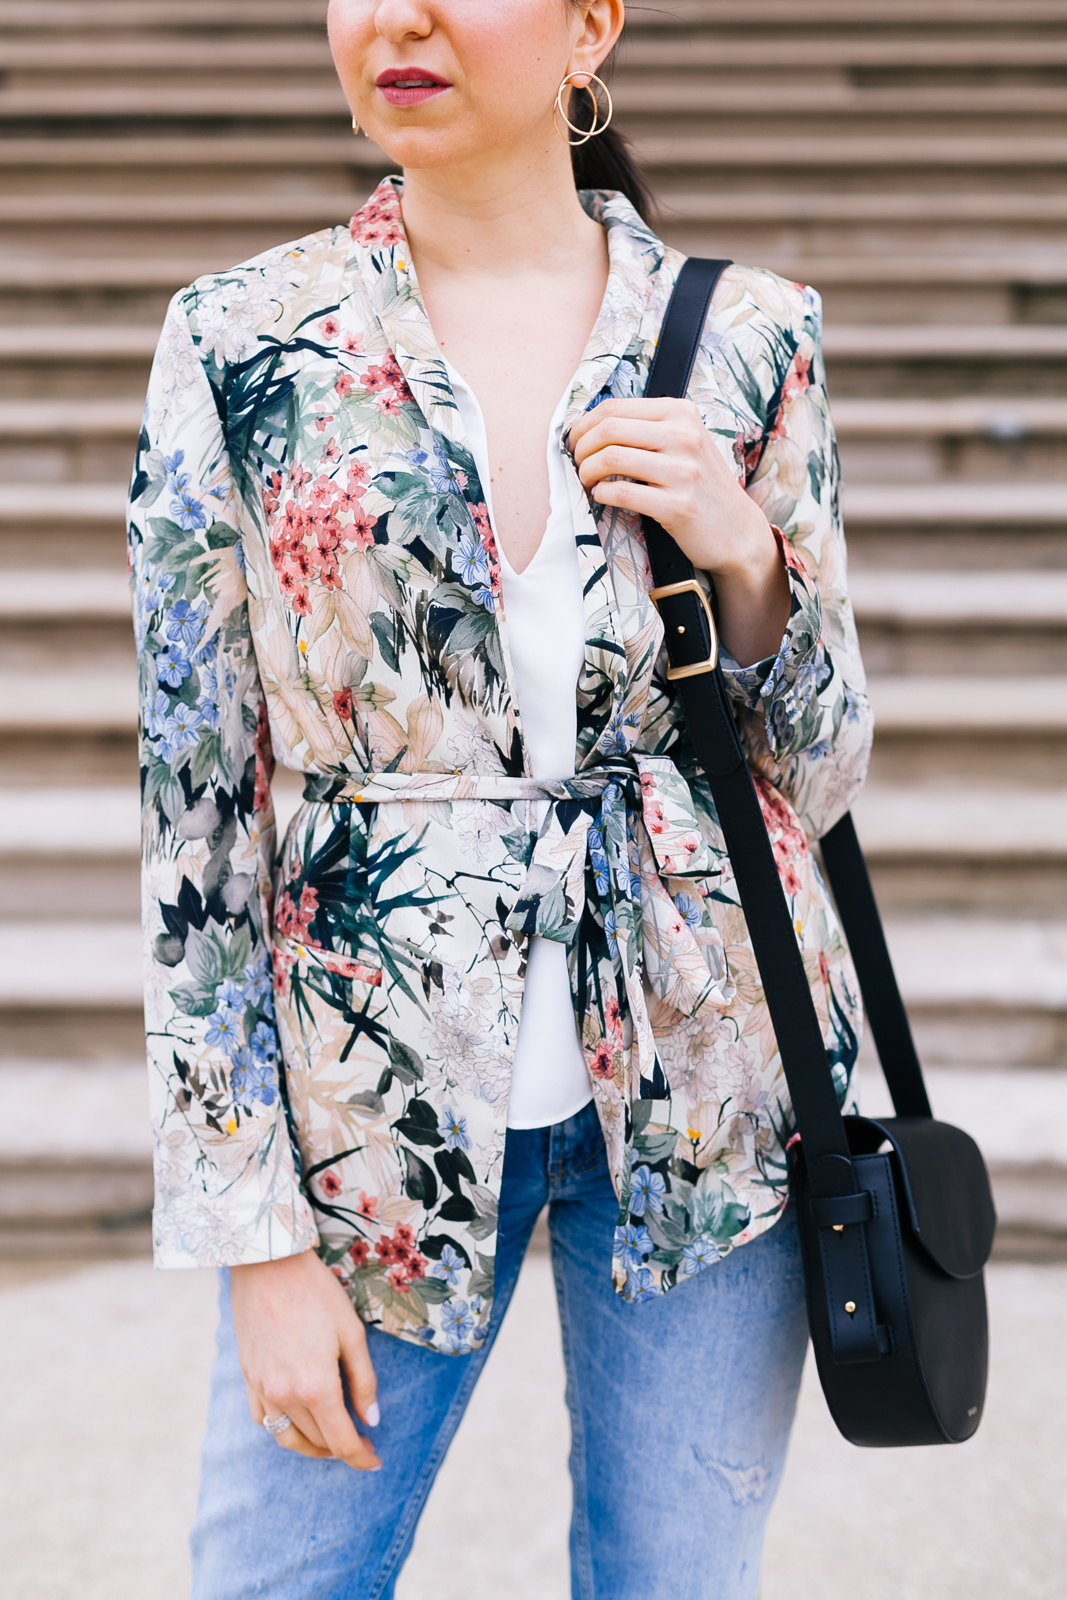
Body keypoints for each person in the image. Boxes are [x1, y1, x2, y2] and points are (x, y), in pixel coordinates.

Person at [127, 1, 873, 1594]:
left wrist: (746, 558)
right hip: (364, 1122)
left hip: (712, 1101)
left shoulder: (746, 330)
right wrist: (254, 1239)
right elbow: (193, 821)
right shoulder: (243, 342)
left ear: (591, 22)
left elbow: (824, 766)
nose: (394, 18)